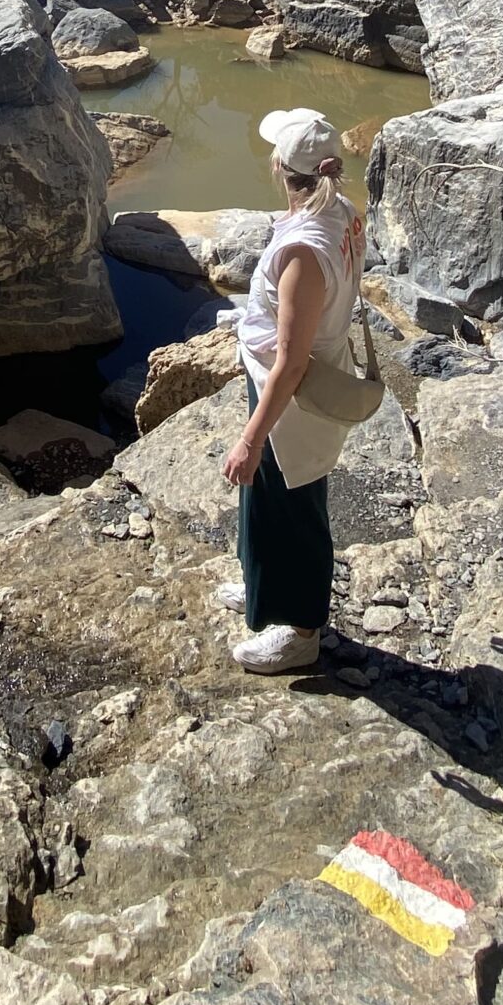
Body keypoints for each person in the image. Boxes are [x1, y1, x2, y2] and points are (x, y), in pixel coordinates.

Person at [220, 106, 367, 673]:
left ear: (282, 165)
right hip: (293, 380)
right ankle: (261, 581)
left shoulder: (304, 251)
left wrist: (251, 438)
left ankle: (301, 629)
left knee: (294, 503)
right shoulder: (340, 210)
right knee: (266, 499)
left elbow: (291, 361)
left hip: (296, 395)